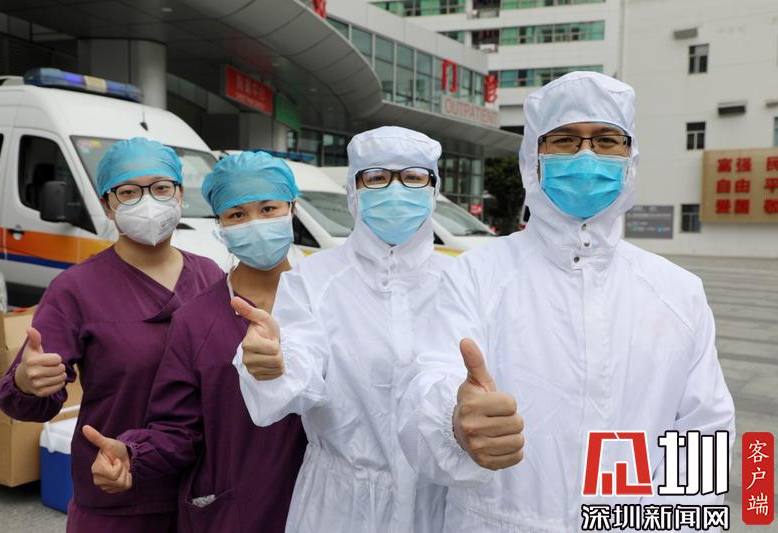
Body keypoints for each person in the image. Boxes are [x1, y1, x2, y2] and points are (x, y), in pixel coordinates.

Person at [397, 71, 736, 532]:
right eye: (564, 140)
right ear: (533, 159)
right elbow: (427, 386)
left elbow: (704, 432)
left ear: (630, 158)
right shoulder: (476, 275)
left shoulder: (678, 292)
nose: (586, 156)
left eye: (606, 140)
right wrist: (455, 424)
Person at [0, 137, 223, 532]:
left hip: (203, 494)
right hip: (117, 495)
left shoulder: (210, 276)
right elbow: (29, 400)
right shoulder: (76, 289)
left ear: (180, 195)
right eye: (128, 192)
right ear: (107, 204)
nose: (148, 202)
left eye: (161, 188)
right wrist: (27, 382)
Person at [234, 126, 450, 532]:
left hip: (436, 505)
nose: (396, 189)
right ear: (354, 190)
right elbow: (299, 363)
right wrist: (273, 366)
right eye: (377, 177)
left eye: (413, 177)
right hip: (339, 507)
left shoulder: (460, 282)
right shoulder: (313, 280)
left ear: (434, 189)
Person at [81, 151, 307, 532]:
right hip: (232, 512)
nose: (255, 223)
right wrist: (133, 454)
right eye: (237, 214)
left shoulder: (327, 302)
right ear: (221, 225)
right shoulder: (196, 320)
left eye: (268, 209)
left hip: (321, 502)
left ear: (292, 208)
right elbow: (178, 430)